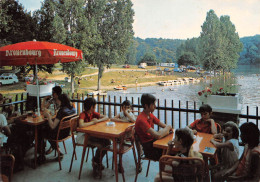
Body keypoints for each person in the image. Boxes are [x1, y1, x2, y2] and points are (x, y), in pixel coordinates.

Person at [76, 98, 111, 178]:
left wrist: (97, 121)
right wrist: (92, 122)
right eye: (94, 107)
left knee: (107, 142)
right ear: (91, 107)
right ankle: (96, 163)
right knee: (102, 145)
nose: (95, 108)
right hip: (83, 137)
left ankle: (96, 161)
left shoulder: (93, 113)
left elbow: (106, 117)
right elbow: (81, 125)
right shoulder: (83, 114)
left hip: (90, 135)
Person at [38, 94, 76, 163]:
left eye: (57, 100)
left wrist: (48, 116)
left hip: (59, 135)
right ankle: (57, 150)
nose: (56, 101)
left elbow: (52, 126)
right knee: (46, 128)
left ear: (61, 101)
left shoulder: (61, 111)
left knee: (40, 131)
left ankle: (41, 155)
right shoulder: (72, 108)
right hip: (68, 132)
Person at [135, 93, 172, 161]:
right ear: (146, 106)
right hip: (149, 150)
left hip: (154, 143)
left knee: (173, 150)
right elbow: (158, 135)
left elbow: (163, 125)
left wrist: (166, 129)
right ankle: (165, 170)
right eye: (153, 104)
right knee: (172, 153)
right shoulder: (141, 119)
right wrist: (168, 128)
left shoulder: (149, 115)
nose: (155, 106)